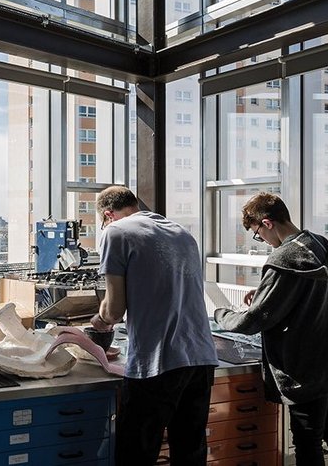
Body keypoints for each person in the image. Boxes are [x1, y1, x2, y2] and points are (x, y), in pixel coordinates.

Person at [212, 192, 328, 466]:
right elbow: (305, 292)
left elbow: (252, 322)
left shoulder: (283, 258)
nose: (263, 242)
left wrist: (219, 313)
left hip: (308, 366)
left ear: (267, 223)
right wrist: (264, 292)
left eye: (258, 234)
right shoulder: (321, 244)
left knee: (308, 442)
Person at [89, 185, 218, 465]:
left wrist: (99, 321)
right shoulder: (181, 232)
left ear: (108, 215)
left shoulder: (116, 232)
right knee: (190, 450)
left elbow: (113, 310)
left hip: (157, 362)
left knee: (136, 453)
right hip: (200, 358)